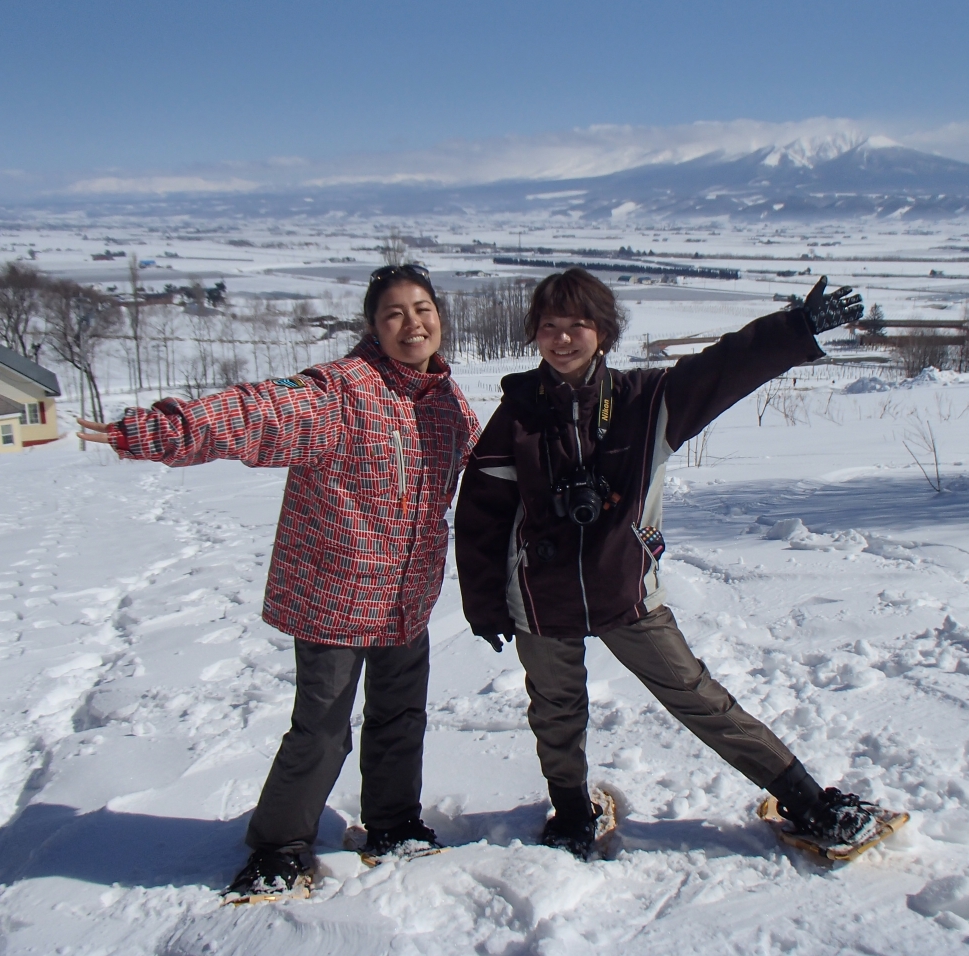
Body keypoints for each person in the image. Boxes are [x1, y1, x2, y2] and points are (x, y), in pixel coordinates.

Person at [79, 264, 479, 896]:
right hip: (333, 595)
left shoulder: (449, 403)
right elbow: (252, 414)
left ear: (440, 318)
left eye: (423, 308)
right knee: (321, 727)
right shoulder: (339, 392)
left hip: (408, 596)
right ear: (374, 327)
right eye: (394, 313)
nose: (412, 323)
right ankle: (280, 843)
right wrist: (158, 430)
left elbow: (485, 478)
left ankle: (394, 822)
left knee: (400, 714)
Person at [455, 267, 882, 858]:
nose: (562, 339)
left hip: (625, 590)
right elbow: (480, 515)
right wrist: (483, 603)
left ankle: (805, 798)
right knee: (555, 711)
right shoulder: (518, 413)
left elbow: (725, 368)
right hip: (539, 597)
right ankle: (573, 810)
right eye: (549, 326)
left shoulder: (646, 400)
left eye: (578, 325)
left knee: (698, 696)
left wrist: (797, 328)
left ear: (602, 332)